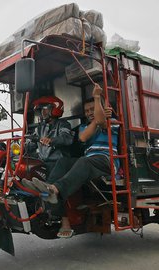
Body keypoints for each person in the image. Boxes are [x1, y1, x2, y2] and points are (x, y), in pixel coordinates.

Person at [36, 83, 118, 238]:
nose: (89, 113)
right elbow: (83, 137)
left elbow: (101, 122)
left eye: (92, 110)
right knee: (64, 162)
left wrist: (97, 98)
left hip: (106, 160)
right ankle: (49, 189)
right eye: (86, 111)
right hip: (89, 161)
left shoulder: (111, 121)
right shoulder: (84, 127)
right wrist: (98, 116)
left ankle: (56, 189)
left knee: (83, 161)